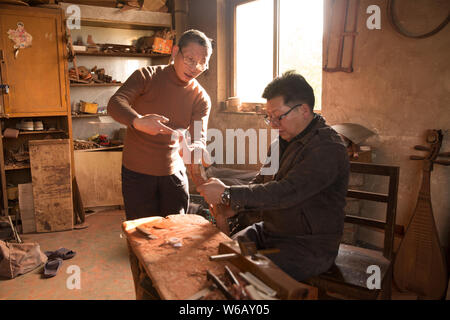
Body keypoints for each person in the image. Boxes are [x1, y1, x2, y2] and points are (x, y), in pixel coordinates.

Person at [197, 71, 350, 282]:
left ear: (304, 110)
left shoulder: (327, 148)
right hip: (270, 231)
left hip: (308, 245)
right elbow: (260, 182)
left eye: (279, 116)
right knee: (226, 254)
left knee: (247, 276)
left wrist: (228, 193)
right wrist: (235, 206)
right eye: (269, 117)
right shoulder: (280, 145)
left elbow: (285, 192)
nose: (274, 124)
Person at [108, 29, 213, 220]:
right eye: (190, 59)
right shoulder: (146, 76)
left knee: (176, 231)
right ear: (175, 52)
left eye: (202, 64)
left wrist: (197, 148)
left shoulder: (201, 98)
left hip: (174, 174)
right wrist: (137, 121)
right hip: (137, 173)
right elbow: (115, 103)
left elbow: (198, 136)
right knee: (142, 232)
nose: (194, 68)